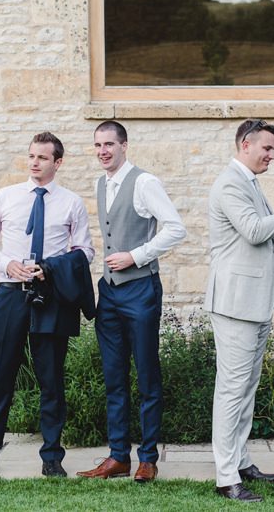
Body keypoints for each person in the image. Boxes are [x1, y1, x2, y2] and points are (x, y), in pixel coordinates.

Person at [0, 132, 96, 479]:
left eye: (43, 158)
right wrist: (7, 263)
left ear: (57, 163)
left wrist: (53, 267)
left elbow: (85, 252)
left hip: (52, 298)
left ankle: (51, 457)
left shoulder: (72, 203)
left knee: (51, 379)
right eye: (31, 156)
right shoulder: (6, 197)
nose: (34, 162)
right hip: (11, 293)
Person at [207, 119, 274, 502]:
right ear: (245, 144)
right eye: (267, 148)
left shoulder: (250, 182)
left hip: (254, 303)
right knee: (232, 390)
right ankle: (225, 477)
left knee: (246, 388)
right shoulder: (230, 183)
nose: (272, 155)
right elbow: (254, 231)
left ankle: (241, 460)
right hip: (235, 304)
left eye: (273, 149)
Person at [77, 121, 186, 483]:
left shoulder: (144, 182)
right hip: (108, 292)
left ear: (124, 145)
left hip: (140, 289)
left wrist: (136, 255)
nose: (102, 151)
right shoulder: (101, 183)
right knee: (114, 377)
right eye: (97, 145)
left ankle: (148, 458)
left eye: (109, 144)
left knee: (147, 376)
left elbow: (175, 227)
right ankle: (117, 456)